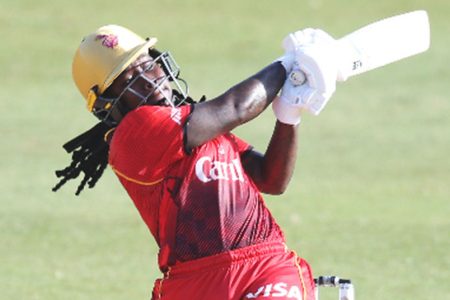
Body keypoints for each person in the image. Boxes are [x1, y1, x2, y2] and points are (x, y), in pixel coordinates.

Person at [53, 24, 337, 300]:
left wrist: (289, 114)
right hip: (193, 280)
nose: (150, 78)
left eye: (147, 64)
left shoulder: (200, 126)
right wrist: (290, 63)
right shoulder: (135, 134)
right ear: (108, 105)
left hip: (265, 264)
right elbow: (238, 107)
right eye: (130, 79)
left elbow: (271, 179)